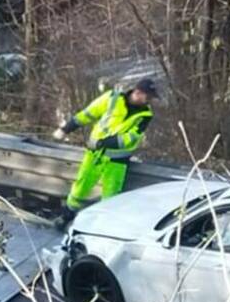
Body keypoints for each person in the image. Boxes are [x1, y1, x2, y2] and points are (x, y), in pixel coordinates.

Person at [51, 78, 158, 224]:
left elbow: (132, 138)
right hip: (95, 155)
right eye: (149, 96)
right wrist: (66, 129)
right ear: (138, 93)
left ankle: (104, 225)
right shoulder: (112, 98)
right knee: (81, 187)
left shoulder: (145, 115)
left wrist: (104, 142)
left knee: (111, 196)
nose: (150, 100)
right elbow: (87, 114)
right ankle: (67, 215)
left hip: (117, 161)